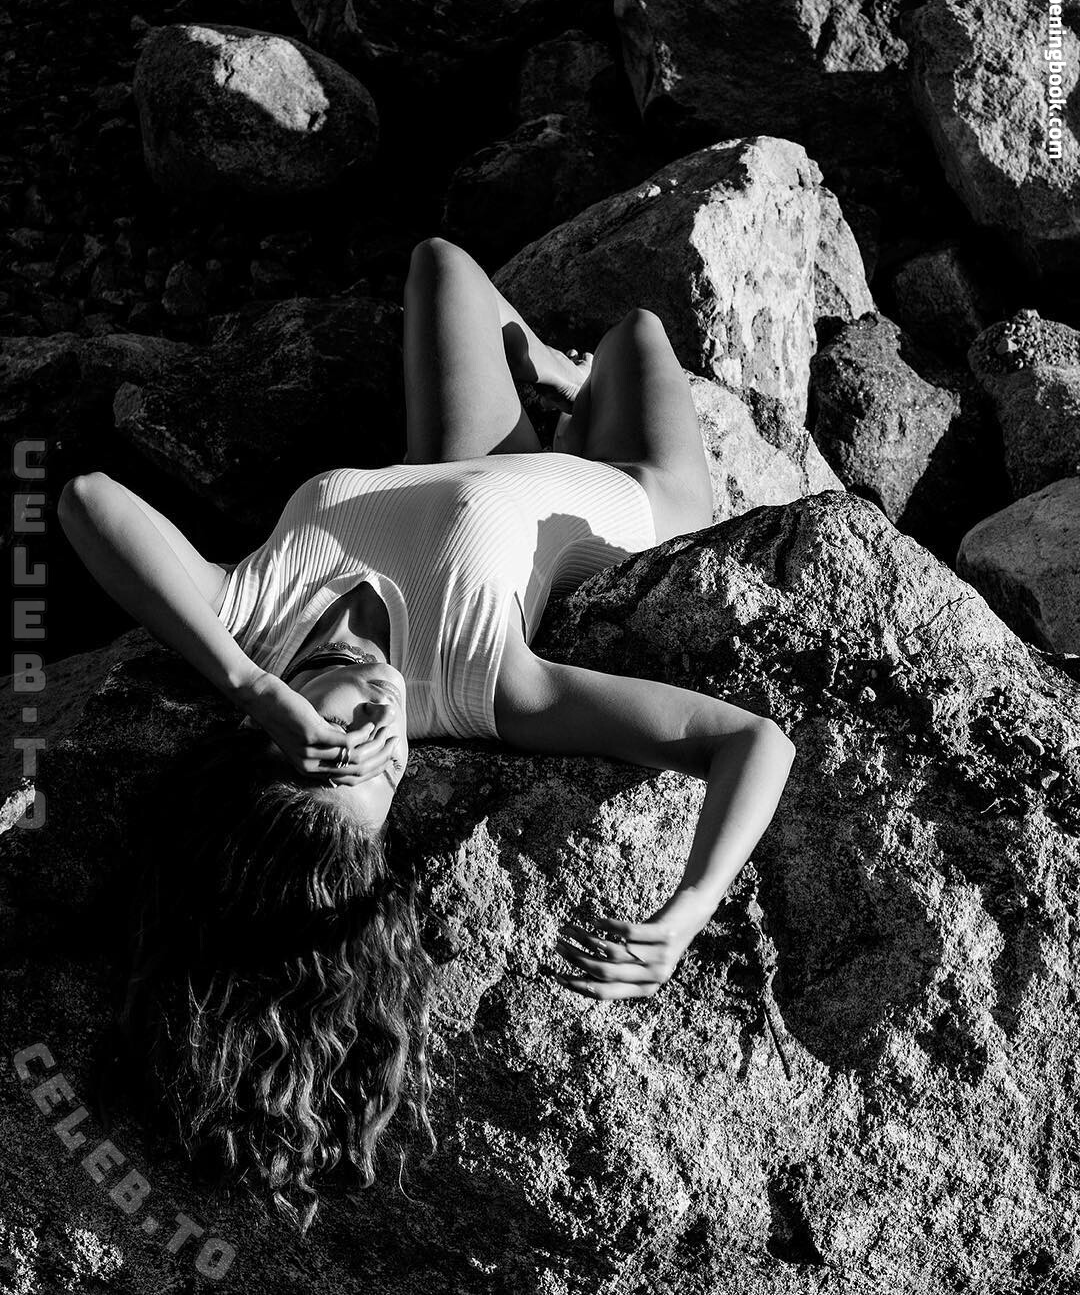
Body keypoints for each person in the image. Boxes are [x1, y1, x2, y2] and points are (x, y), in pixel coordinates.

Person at [59, 236, 797, 1229]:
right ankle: (579, 394)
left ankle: (552, 390)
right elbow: (753, 742)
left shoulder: (246, 620)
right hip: (630, 503)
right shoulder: (481, 684)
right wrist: (692, 905)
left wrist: (249, 682)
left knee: (442, 265)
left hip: (459, 467)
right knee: (637, 334)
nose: (382, 724)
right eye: (389, 771)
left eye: (341, 749)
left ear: (267, 743)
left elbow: (86, 499)